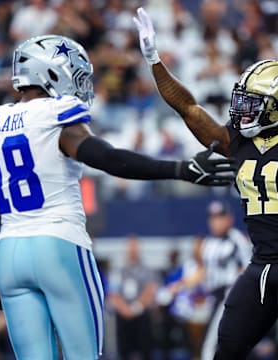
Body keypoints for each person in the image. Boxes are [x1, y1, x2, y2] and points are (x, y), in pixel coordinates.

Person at [0, 34, 235, 360]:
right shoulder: (55, 114)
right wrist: (179, 169)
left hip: (8, 253)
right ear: (51, 73)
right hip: (58, 245)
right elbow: (108, 158)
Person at [133, 7, 278, 359]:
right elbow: (190, 109)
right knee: (224, 349)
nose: (242, 110)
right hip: (262, 265)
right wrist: (155, 61)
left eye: (253, 103)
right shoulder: (240, 141)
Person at [168, 200, 251, 360]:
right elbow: (203, 271)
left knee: (210, 344)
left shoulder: (237, 240)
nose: (216, 222)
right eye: (212, 218)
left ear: (229, 219)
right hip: (215, 295)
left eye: (220, 217)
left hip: (231, 294)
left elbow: (248, 270)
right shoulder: (208, 243)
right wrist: (180, 285)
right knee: (224, 344)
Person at [108, 235, 157, 360]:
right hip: (123, 317)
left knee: (145, 350)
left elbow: (151, 290)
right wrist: (125, 310)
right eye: (130, 247)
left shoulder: (146, 270)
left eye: (135, 247)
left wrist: (136, 308)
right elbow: (113, 293)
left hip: (141, 316)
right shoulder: (119, 271)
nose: (132, 251)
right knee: (123, 351)